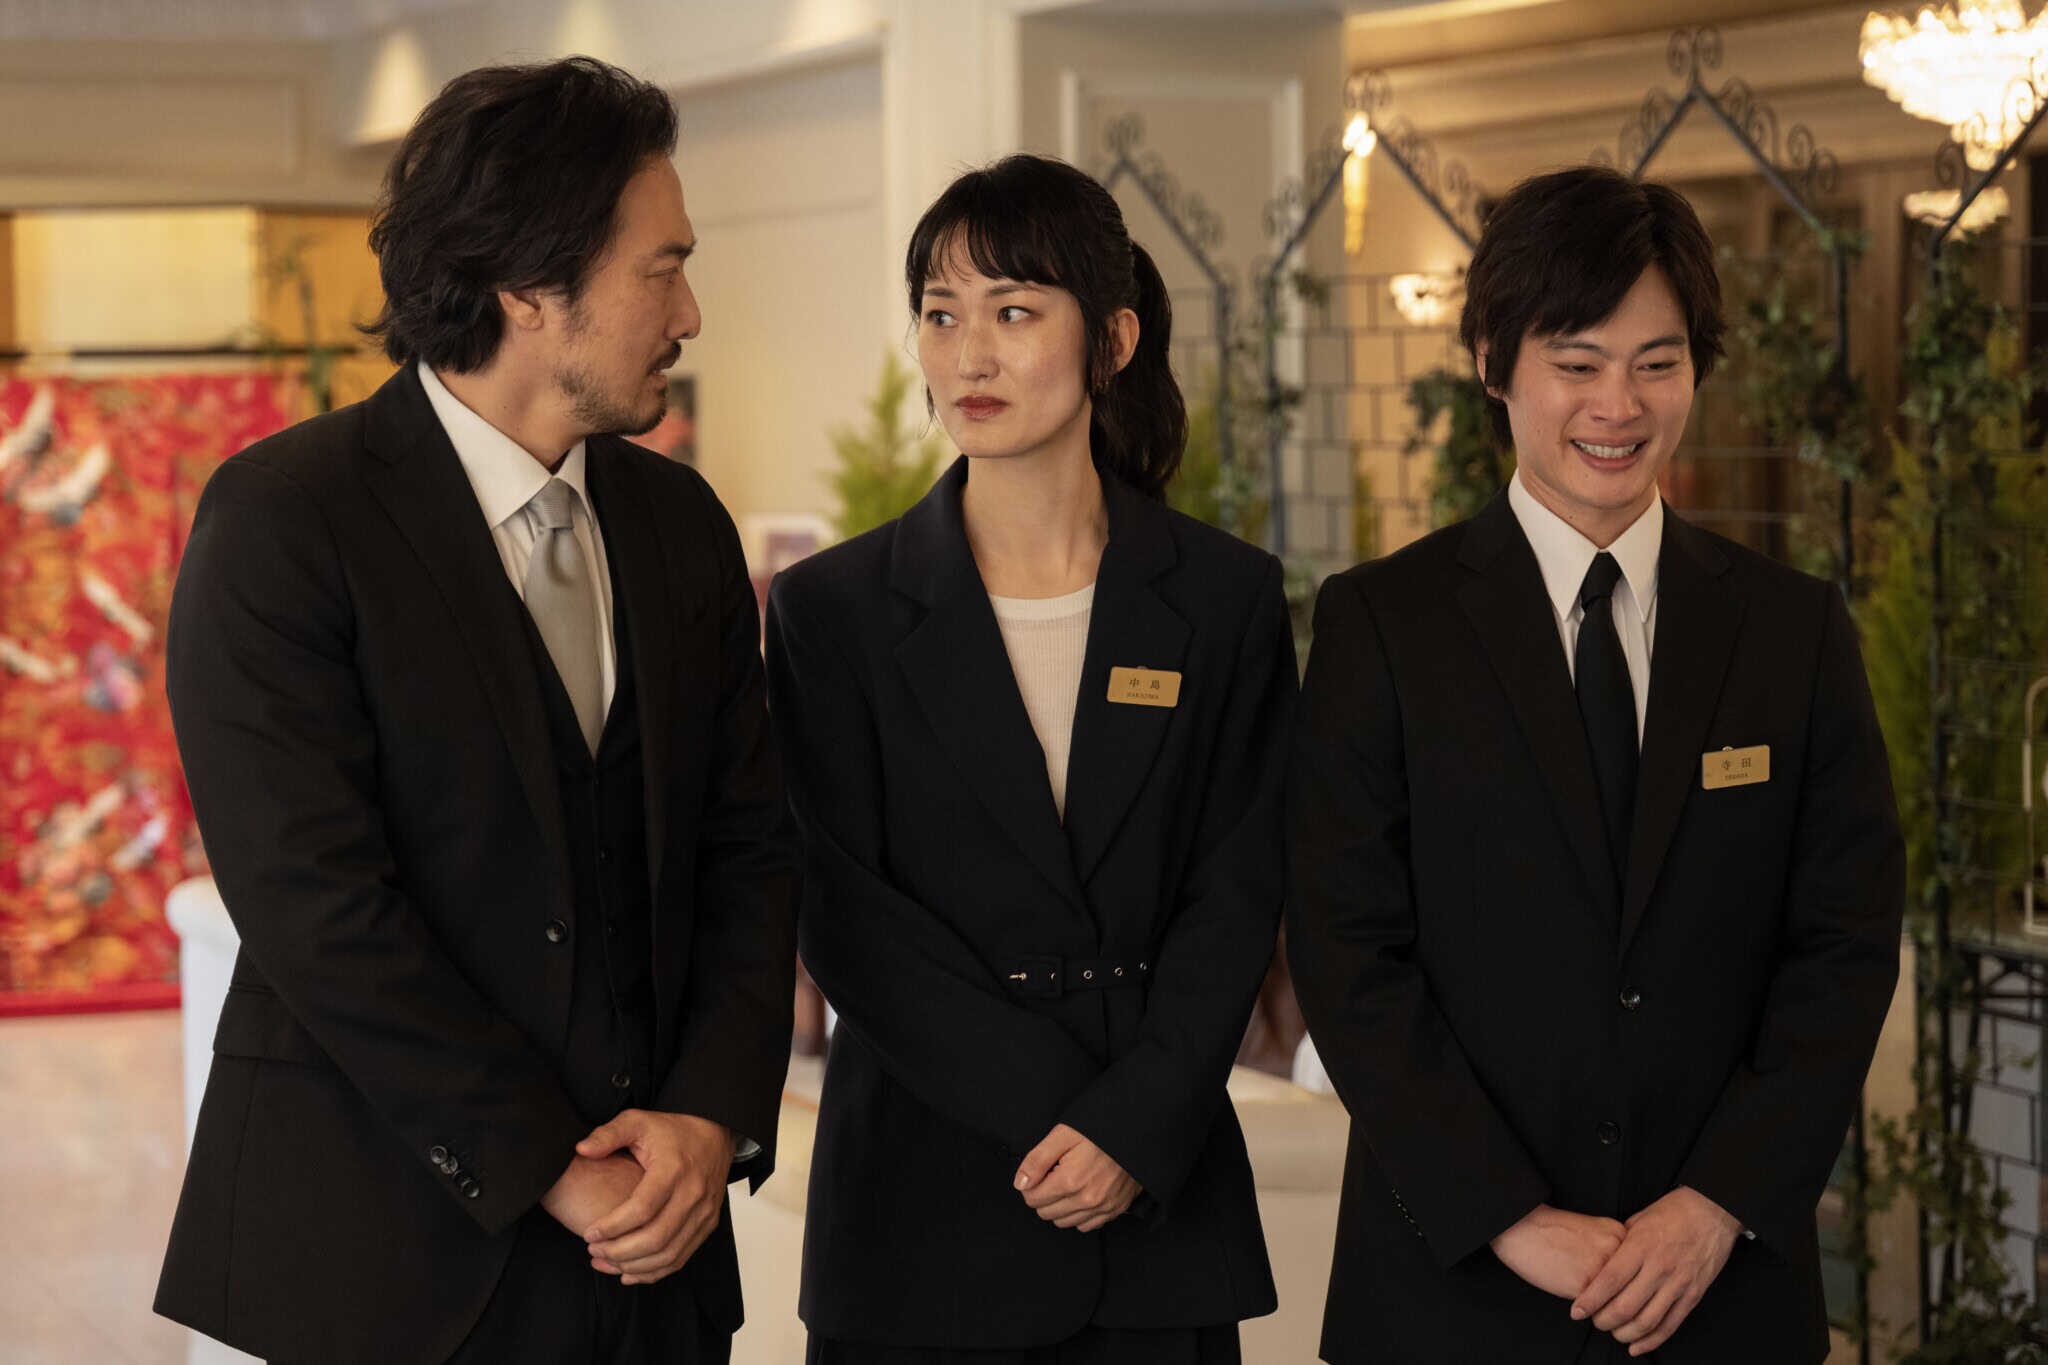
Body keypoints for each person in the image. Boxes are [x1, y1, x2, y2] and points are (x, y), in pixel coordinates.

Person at [152, 57, 797, 1365]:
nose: (690, 309)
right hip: (384, 1262)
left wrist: (708, 1116)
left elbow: (750, 842)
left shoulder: (680, 524)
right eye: (658, 268)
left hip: (652, 1276)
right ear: (528, 285)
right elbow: (313, 901)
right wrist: (545, 1164)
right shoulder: (285, 519)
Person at [1288, 165, 1904, 1364]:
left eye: (1655, 363)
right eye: (1575, 362)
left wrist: (1714, 1202)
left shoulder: (1790, 632)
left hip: (1716, 1288)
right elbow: (1346, 951)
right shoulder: (1382, 624)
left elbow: (1841, 943)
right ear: (1490, 361)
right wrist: (1507, 1216)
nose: (1616, 405)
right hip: (1451, 1286)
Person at [764, 154, 1293, 1363]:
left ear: (1110, 339)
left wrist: (1136, 1123)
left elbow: (1239, 883)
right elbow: (842, 912)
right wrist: (1063, 1117)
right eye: (940, 316)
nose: (969, 356)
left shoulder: (1221, 598)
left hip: (1154, 1206)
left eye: (1012, 313)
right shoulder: (831, 610)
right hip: (921, 1208)